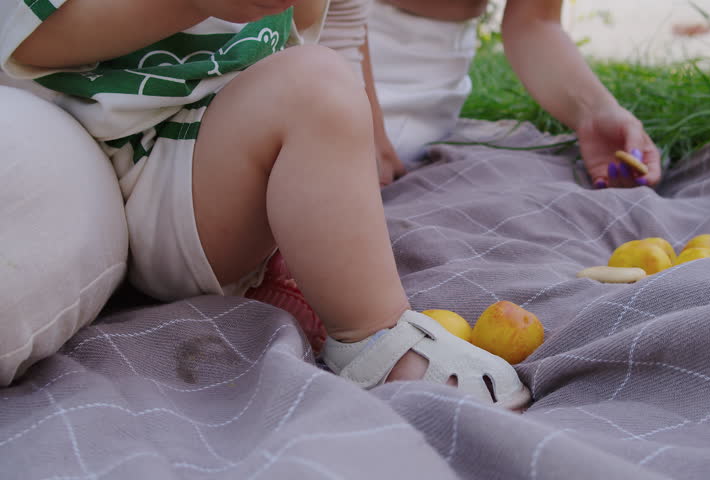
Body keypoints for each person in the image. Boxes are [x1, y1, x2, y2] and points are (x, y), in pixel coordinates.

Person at [1, 0, 529, 408]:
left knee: (315, 84)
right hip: (85, 143)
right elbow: (27, 36)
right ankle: (365, 330)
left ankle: (362, 323)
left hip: (199, 173)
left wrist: (346, 167)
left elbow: (315, 30)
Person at [365, 0, 663, 188]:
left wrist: (595, 111)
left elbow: (533, 21)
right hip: (340, 66)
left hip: (429, 105)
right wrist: (364, 119)